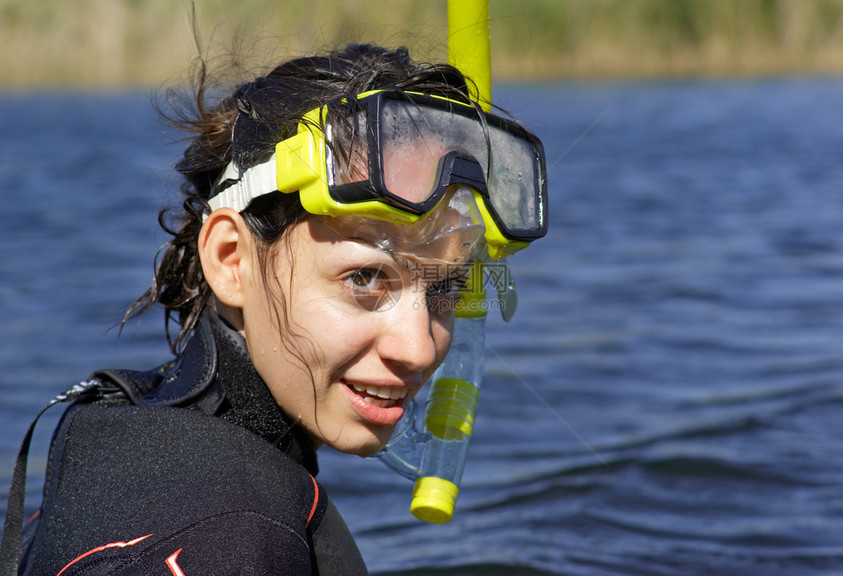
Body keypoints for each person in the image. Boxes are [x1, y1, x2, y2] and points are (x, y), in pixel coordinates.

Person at [1, 42, 547, 575]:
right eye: (364, 278)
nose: (419, 348)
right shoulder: (228, 540)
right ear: (231, 259)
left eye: (443, 288)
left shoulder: (136, 438)